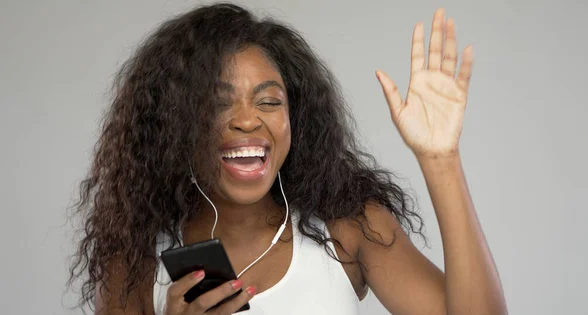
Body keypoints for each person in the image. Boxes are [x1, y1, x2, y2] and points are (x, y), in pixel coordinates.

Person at [68, 3, 507, 315]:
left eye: (269, 101)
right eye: (219, 103)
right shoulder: (138, 253)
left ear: (295, 119)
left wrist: (440, 158)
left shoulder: (348, 229)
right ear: (175, 123)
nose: (247, 121)